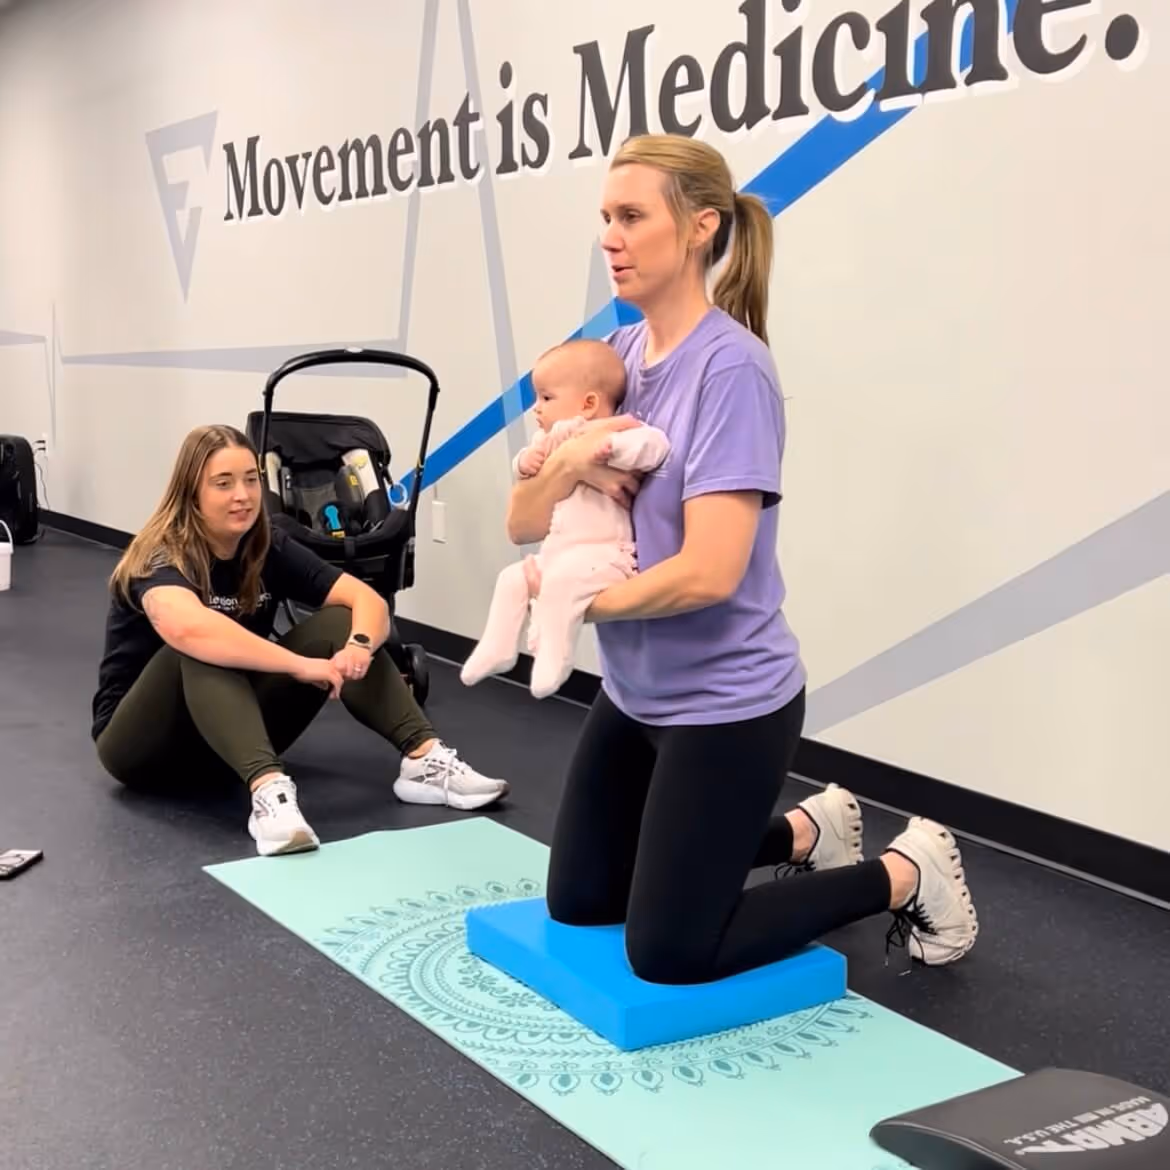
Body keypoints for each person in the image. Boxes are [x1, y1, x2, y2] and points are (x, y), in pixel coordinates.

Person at [505, 133, 979, 984]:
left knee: (670, 951)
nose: (608, 237)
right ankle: (806, 830)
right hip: (634, 690)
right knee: (579, 900)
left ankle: (906, 872)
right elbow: (521, 520)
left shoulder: (732, 372)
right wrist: (571, 465)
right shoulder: (617, 361)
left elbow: (709, 574)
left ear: (700, 226)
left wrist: (567, 602)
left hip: (726, 705)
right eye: (605, 218)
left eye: (631, 216)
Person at [92, 424, 509, 857]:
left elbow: (366, 600)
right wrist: (300, 666)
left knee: (338, 622)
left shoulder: (266, 544)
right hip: (141, 748)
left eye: (251, 479)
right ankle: (269, 792)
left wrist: (359, 646)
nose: (243, 495)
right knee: (200, 648)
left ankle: (424, 760)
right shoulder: (159, 554)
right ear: (191, 494)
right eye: (223, 483)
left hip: (226, 736)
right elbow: (189, 629)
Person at [461, 338, 670, 699]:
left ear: (588, 403)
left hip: (604, 556)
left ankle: (554, 657)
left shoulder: (617, 428)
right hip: (559, 552)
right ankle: (498, 646)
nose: (536, 409)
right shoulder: (553, 437)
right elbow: (528, 468)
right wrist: (523, 462)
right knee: (511, 579)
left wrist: (614, 449)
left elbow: (655, 446)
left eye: (546, 397)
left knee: (562, 584)